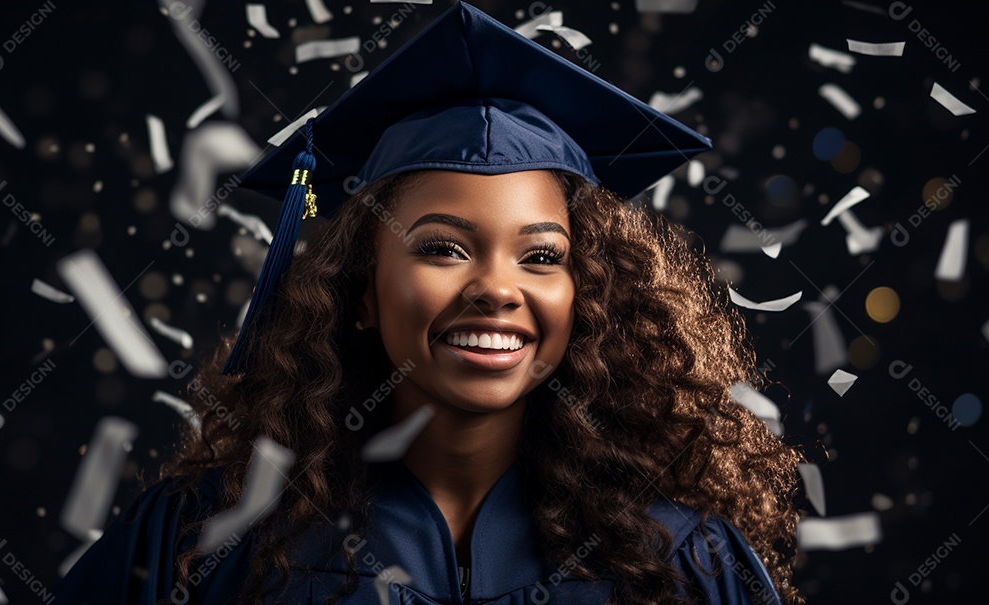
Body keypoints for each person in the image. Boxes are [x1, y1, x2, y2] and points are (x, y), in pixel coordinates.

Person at [52, 3, 805, 604]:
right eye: (442, 247)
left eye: (541, 256)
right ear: (359, 293)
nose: (498, 288)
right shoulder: (206, 541)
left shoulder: (682, 561)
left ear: (587, 297)